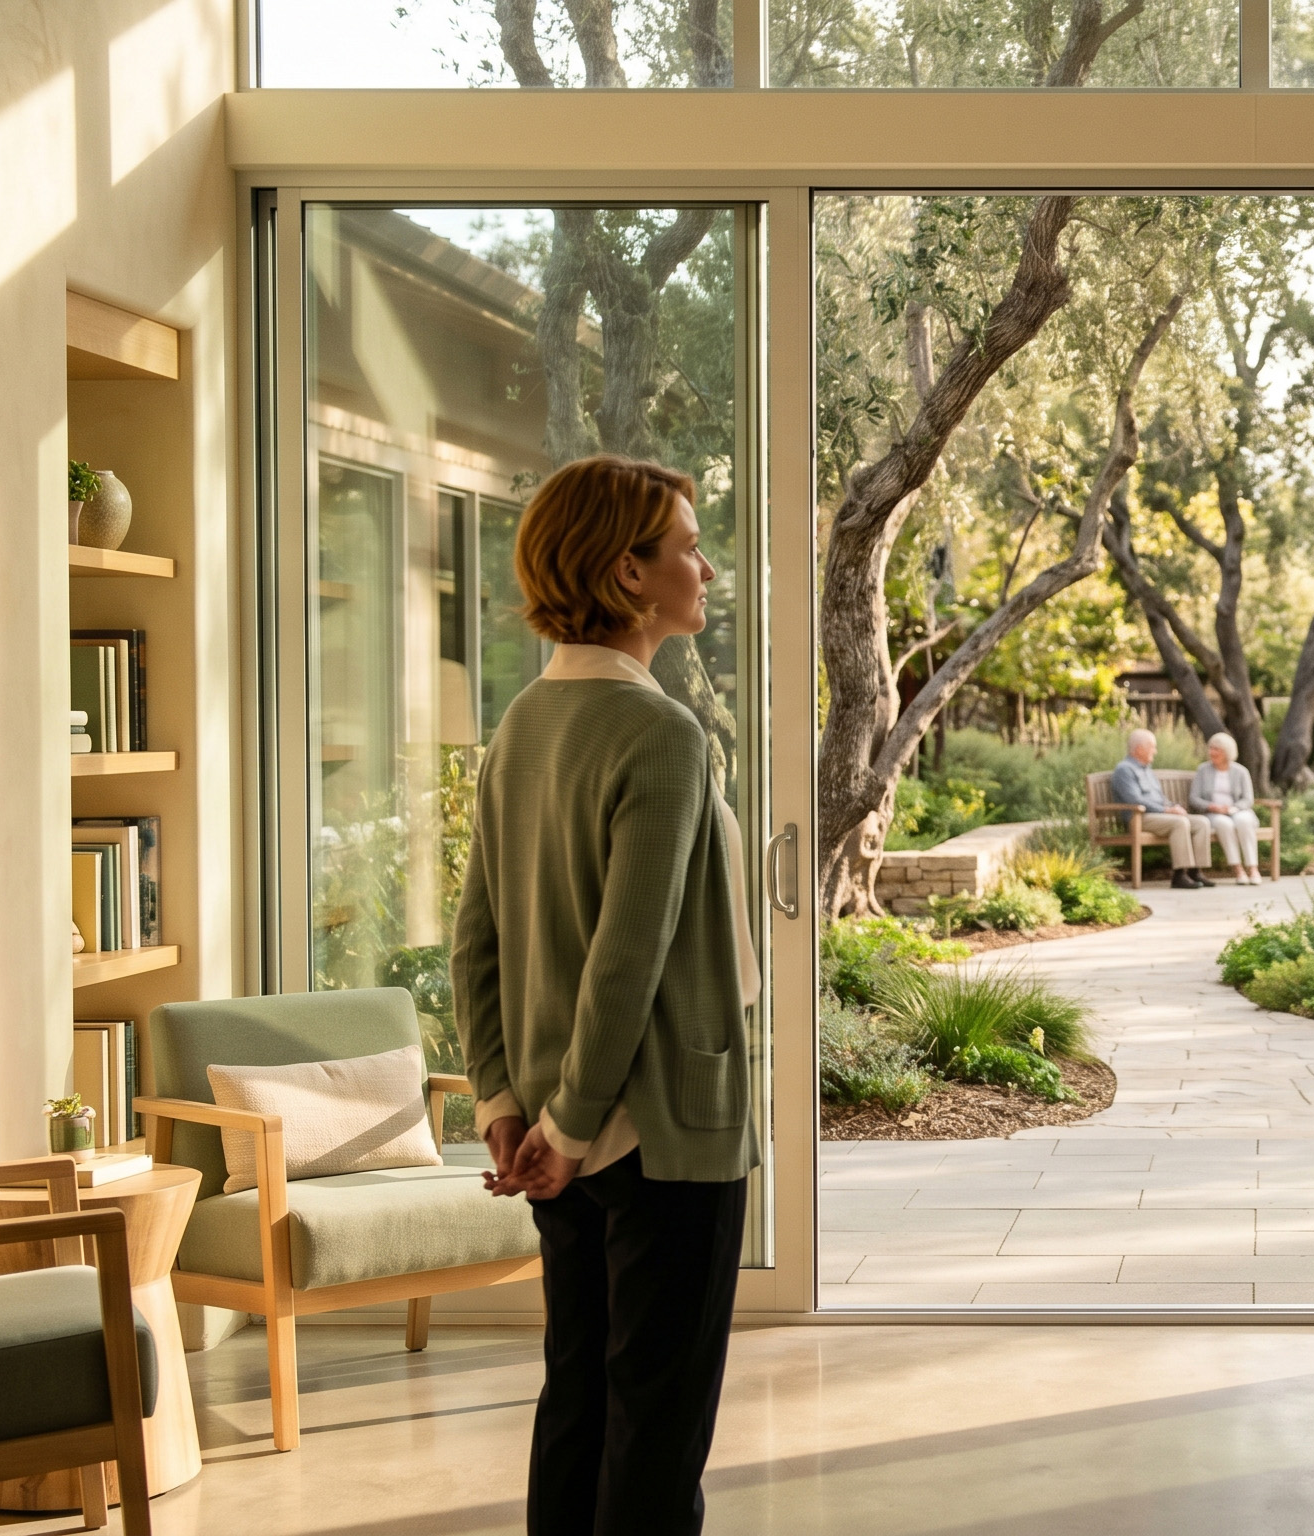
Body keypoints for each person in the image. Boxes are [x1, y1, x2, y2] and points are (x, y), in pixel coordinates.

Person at [452, 454, 759, 1536]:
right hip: (656, 1136)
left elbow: (473, 945)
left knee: (577, 1402)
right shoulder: (661, 734)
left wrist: (507, 1110)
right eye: (685, 547)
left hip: (551, 1138)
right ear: (629, 575)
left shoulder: (520, 728)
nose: (705, 567)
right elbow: (627, 963)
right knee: (657, 1434)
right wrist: (575, 1125)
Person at [1109, 726, 1212, 889]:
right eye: (1152, 747)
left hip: (1160, 816)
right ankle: (1179, 875)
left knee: (1201, 822)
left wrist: (1173, 806)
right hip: (1139, 818)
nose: (1155, 751)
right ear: (1139, 748)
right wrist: (1167, 811)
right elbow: (1134, 799)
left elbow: (1159, 797)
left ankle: (1195, 871)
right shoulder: (1124, 770)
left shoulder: (1147, 770)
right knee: (1179, 823)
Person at [1191, 732, 1264, 886]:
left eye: (1217, 749)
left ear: (1227, 752)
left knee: (1244, 821)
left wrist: (1233, 808)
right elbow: (1194, 798)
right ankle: (1238, 870)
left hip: (1237, 811)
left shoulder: (1241, 771)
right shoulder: (1203, 770)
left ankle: (1253, 869)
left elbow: (1248, 799)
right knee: (1224, 824)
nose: (1212, 752)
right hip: (1213, 813)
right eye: (1211, 748)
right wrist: (1212, 806)